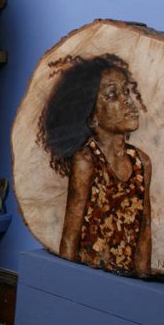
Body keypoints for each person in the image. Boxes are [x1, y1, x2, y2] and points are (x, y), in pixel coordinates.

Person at [38, 54, 153, 277]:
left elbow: (145, 229)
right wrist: (66, 282)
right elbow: (71, 233)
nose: (127, 100)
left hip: (126, 279)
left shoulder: (142, 161)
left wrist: (144, 279)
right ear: (92, 117)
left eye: (126, 91)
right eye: (113, 95)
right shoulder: (87, 160)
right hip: (89, 277)